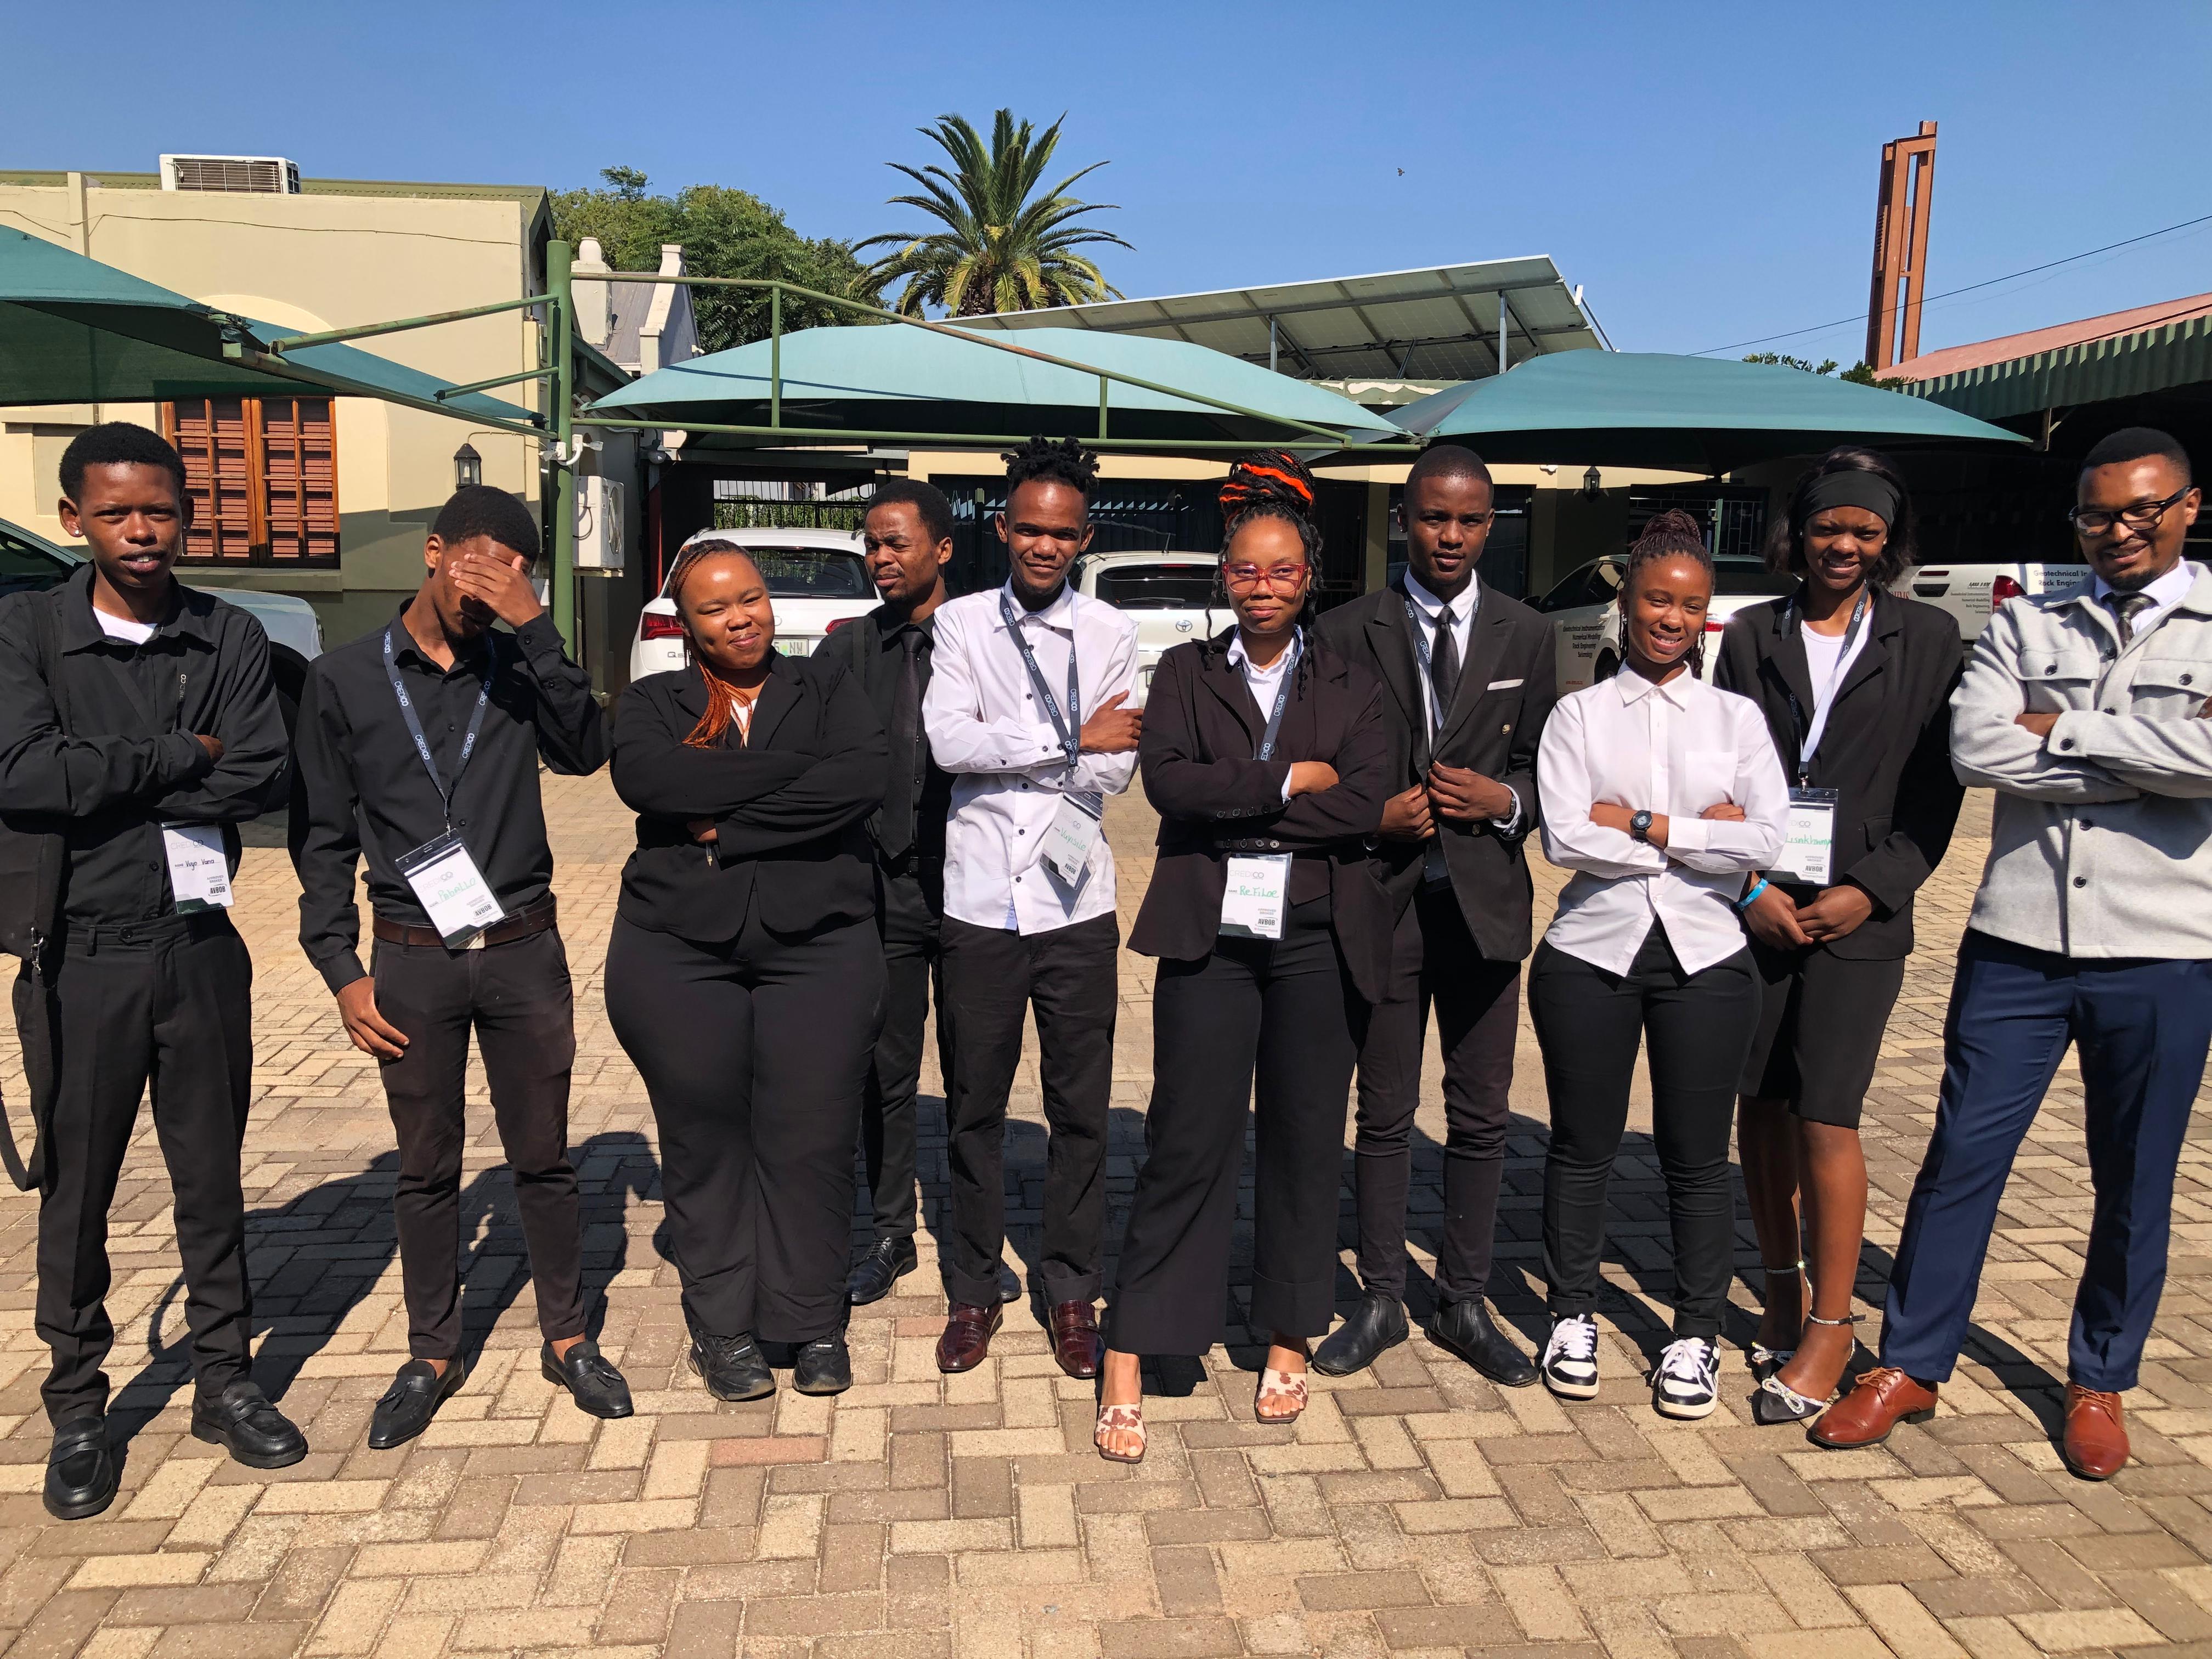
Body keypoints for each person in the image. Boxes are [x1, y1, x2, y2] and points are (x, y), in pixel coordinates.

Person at [1814, 427, 2212, 1479]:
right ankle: (1911, 1362)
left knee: (2136, 1177)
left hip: (2166, 948)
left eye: (2141, 510)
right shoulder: (2026, 621)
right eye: (2097, 514)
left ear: (2187, 506)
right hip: (2018, 942)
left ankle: (2100, 1379)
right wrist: (2151, 757)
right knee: (1960, 1160)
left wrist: (2063, 729)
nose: (2118, 532)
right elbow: (1978, 746)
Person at [0, 423, 299, 1520]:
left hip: (200, 948)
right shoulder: (26, 632)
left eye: (160, 511)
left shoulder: (228, 635)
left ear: (186, 516)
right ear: (73, 519)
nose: (141, 530)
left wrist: (106, 780)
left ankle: (225, 1379)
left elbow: (260, 773)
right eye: (116, 512)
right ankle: (79, 1405)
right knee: (76, 1193)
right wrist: (181, 756)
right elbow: (23, 775)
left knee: (210, 1180)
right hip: (78, 956)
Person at [290, 485, 630, 1447]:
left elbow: (586, 752)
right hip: (411, 959)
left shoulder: (519, 668)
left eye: (514, 581)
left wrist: (538, 631)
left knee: (545, 1158)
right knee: (426, 1166)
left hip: (524, 950)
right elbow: (321, 837)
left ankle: (568, 1337)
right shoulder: (344, 679)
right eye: (481, 573)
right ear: (436, 551)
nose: (490, 596)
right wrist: (340, 969)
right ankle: (433, 1351)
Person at [1094, 453, 1392, 1462]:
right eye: (1246, 571)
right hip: (1210, 936)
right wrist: (1291, 779)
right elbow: (1171, 788)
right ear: (1224, 577)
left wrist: (1247, 798)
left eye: (1283, 571)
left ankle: (1286, 1335)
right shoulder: (1186, 672)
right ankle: (1134, 1345)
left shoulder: (1354, 681)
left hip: (1316, 938)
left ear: (1311, 578)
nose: (1263, 587)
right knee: (1188, 1138)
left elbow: (1368, 802)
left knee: (1305, 1142)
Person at [1713, 449, 1963, 1425]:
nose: (1844, 545)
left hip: (1863, 913)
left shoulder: (1928, 638)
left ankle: (1831, 1324)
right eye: (1828, 527)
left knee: (1828, 1112)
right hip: (1765, 904)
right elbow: (1720, 774)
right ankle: (1779, 1290)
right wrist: (1748, 887)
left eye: (1865, 531)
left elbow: (1939, 793)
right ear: (1799, 532)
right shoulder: (1752, 634)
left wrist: (1871, 890)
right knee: (1761, 1102)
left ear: (1889, 541)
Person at [605, 539, 887, 1401]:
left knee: (812, 1137)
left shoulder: (829, 687)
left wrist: (729, 821)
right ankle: (723, 1327)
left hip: (822, 945)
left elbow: (866, 777)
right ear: (686, 625)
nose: (741, 618)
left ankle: (812, 1321)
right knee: (706, 1139)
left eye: (752, 598)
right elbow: (648, 779)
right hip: (678, 950)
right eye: (716, 608)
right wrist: (800, 777)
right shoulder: (653, 701)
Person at [1531, 509, 1787, 1419]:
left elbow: (1769, 838)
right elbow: (1564, 838)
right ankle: (1571, 1312)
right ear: (1626, 604)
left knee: (1696, 1157)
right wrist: (1706, 841)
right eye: (1655, 600)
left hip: (1708, 956)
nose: (1671, 618)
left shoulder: (1735, 719)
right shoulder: (1579, 713)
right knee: (1583, 1146)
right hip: (1588, 953)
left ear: (1705, 614)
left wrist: (1642, 825)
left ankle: (1695, 1333)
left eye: (1689, 605)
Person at [1311, 444, 1559, 1384]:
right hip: (1383, 897)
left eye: (1468, 520)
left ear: (1491, 525)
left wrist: (1508, 802)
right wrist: (1368, 813)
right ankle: (1381, 1297)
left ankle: (1463, 1298)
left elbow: (1547, 764)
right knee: (1383, 1110)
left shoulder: (1525, 634)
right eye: (1432, 516)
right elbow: (1320, 763)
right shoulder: (1345, 630)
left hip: (1485, 902)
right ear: (1403, 521)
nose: (1449, 535)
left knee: (1482, 1114)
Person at [922, 437, 1141, 1380]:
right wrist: (1067, 738)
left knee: (1079, 1110)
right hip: (978, 903)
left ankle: (1072, 1290)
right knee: (974, 1105)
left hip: (1075, 906)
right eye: (1028, 530)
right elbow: (947, 744)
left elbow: (1118, 768)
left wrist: (1025, 746)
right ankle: (974, 1288)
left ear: (1084, 538)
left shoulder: (1112, 632)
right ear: (1003, 528)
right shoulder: (962, 624)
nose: (1044, 546)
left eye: (1062, 533)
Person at [819, 481, 958, 1306]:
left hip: (974, 890)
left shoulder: (983, 641)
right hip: (886, 889)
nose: (880, 558)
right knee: (887, 1067)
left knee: (975, 1074)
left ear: (942, 548)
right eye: (871, 544)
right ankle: (890, 1230)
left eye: (896, 543)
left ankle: (975, 1233)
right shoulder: (848, 650)